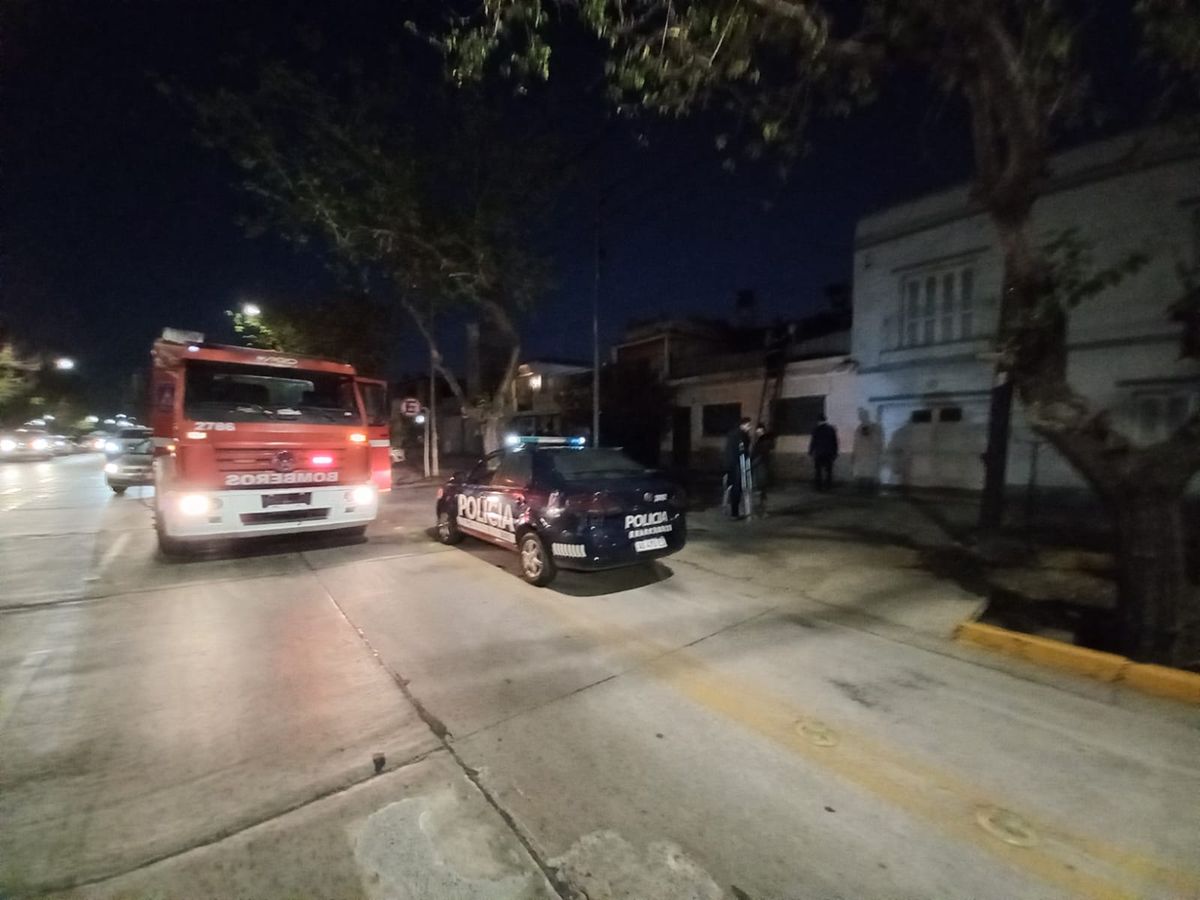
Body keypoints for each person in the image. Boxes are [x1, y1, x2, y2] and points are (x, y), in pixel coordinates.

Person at [722, 417, 753, 518]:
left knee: (731, 487)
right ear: (742, 425)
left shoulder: (733, 434)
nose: (749, 427)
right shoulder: (740, 435)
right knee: (737, 488)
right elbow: (742, 451)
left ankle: (729, 509)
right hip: (737, 465)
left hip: (731, 465)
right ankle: (734, 512)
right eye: (748, 425)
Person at [808, 414, 839, 491]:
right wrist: (835, 452)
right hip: (828, 453)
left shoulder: (816, 429)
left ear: (818, 421)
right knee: (828, 471)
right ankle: (828, 486)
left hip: (819, 453)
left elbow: (813, 442)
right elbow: (834, 442)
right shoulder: (831, 429)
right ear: (825, 420)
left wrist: (810, 451)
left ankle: (818, 487)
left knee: (818, 471)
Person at [750, 422, 775, 516]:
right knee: (762, 490)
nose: (758, 432)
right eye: (757, 430)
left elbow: (760, 455)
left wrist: (752, 464)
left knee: (760, 489)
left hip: (760, 467)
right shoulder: (762, 440)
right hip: (761, 466)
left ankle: (762, 510)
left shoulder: (763, 441)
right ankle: (763, 510)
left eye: (759, 430)